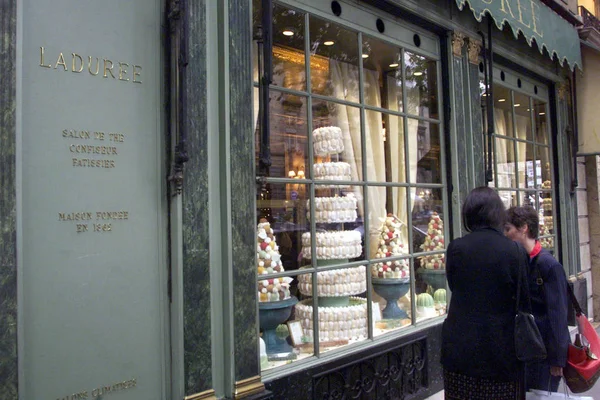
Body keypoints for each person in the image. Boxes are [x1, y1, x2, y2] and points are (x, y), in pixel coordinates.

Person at [442, 187, 529, 400]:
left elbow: (454, 286)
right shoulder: (514, 251)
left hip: (460, 350)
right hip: (501, 351)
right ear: (498, 214)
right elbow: (523, 299)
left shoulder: (456, 248)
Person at [505, 205, 570, 392]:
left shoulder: (548, 265)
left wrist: (557, 359)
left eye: (508, 229)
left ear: (523, 228)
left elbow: (558, 315)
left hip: (544, 355)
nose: (505, 234)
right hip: (526, 351)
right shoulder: (520, 262)